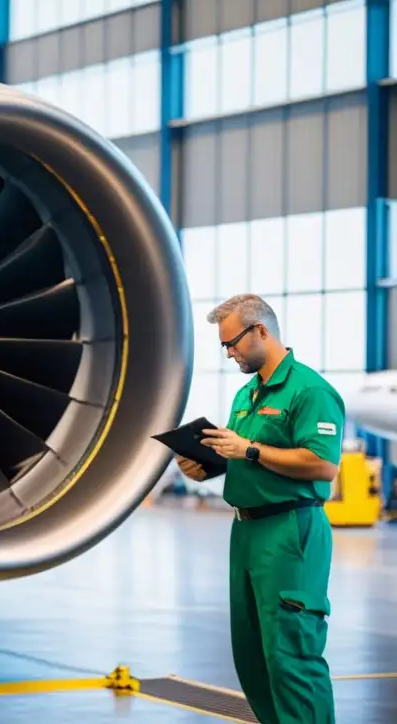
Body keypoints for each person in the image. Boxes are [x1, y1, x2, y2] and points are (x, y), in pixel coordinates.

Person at [175, 294, 341, 724]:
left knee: (292, 655)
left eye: (232, 343)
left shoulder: (310, 391)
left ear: (261, 331)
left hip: (289, 532)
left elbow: (323, 464)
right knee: (252, 657)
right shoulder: (247, 394)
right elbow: (249, 456)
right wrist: (206, 466)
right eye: (224, 346)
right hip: (247, 533)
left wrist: (247, 449)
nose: (229, 353)